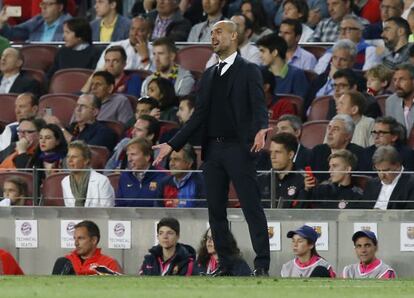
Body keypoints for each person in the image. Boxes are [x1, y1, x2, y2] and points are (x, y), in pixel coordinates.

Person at [153, 20, 271, 276]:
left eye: (219, 32)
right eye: (211, 32)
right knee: (216, 211)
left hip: (239, 148)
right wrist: (172, 145)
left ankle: (262, 265)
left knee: (251, 207)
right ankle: (226, 265)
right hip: (213, 151)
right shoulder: (208, 75)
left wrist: (262, 128)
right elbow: (198, 117)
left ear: (234, 37)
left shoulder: (249, 70)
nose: (213, 36)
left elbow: (259, 104)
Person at [46, 94, 118, 151]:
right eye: (77, 105)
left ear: (94, 112)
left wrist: (60, 128)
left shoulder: (104, 132)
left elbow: (82, 152)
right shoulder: (72, 127)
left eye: (83, 106)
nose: (78, 109)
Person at [314, 15, 381, 74]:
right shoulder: (331, 52)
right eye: (341, 29)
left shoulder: (370, 50)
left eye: (348, 29)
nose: (343, 33)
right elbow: (318, 73)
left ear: (360, 33)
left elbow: (367, 75)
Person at [299, 149, 364, 209]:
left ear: (347, 169)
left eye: (335, 166)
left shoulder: (357, 196)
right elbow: (298, 211)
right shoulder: (322, 189)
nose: (330, 170)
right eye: (330, 166)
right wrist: (306, 190)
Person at [52, 220, 122, 275]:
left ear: (94, 240)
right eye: (75, 238)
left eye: (81, 238)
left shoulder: (109, 263)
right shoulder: (65, 262)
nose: (76, 243)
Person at [310, 114, 365, 182]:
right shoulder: (317, 151)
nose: (330, 132)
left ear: (347, 136)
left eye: (336, 129)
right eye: (329, 128)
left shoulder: (359, 154)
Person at [256, 33, 310, 99]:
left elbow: (302, 103)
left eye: (263, 51)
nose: (260, 56)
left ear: (274, 52)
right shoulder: (258, 72)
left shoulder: (296, 74)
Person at [116, 137, 167, 207]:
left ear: (147, 157)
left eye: (133, 154)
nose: (129, 159)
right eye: (128, 155)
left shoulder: (162, 177)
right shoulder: (124, 176)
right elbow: (119, 205)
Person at [62, 141, 115, 207]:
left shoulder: (102, 181)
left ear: (86, 160)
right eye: (68, 156)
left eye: (74, 157)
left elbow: (107, 211)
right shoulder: (65, 182)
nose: (69, 160)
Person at [363, 145, 414, 209]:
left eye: (385, 170)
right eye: (378, 170)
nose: (382, 176)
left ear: (397, 166)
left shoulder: (411, 183)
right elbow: (364, 210)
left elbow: (409, 214)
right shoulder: (372, 183)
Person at [266, 133, 305, 208]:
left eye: (277, 152)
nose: (272, 156)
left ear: (290, 155)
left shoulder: (303, 180)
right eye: (271, 152)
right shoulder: (261, 179)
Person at [0, 0, 71, 42]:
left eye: (50, 4)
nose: (44, 7)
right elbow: (12, 34)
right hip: (34, 63)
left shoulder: (70, 25)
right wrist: (2, 22)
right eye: (43, 4)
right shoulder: (37, 21)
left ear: (60, 7)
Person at [385, 63, 414, 136]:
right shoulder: (391, 101)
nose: (397, 84)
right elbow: (391, 131)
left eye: (402, 80)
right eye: (395, 80)